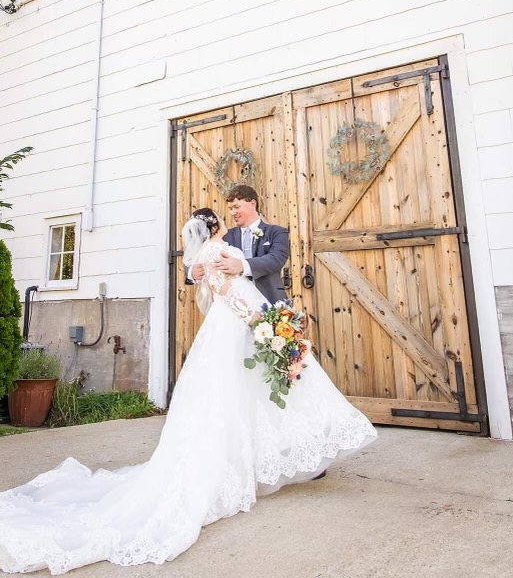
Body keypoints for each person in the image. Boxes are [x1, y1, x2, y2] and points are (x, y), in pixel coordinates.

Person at [0, 209, 377, 575]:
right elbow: (219, 284)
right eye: (224, 213)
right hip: (239, 325)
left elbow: (263, 263)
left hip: (244, 322)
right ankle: (247, 463)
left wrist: (245, 288)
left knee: (256, 395)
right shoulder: (217, 246)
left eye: (236, 207)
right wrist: (255, 319)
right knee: (236, 396)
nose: (230, 215)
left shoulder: (257, 236)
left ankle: (282, 458)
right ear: (214, 225)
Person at [190, 184, 289, 304]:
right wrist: (191, 272)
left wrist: (242, 265)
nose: (232, 212)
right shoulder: (222, 235)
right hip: (235, 305)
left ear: (252, 204)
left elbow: (276, 259)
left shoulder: (277, 232)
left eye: (236, 207)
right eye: (230, 208)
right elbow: (198, 251)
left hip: (272, 301)